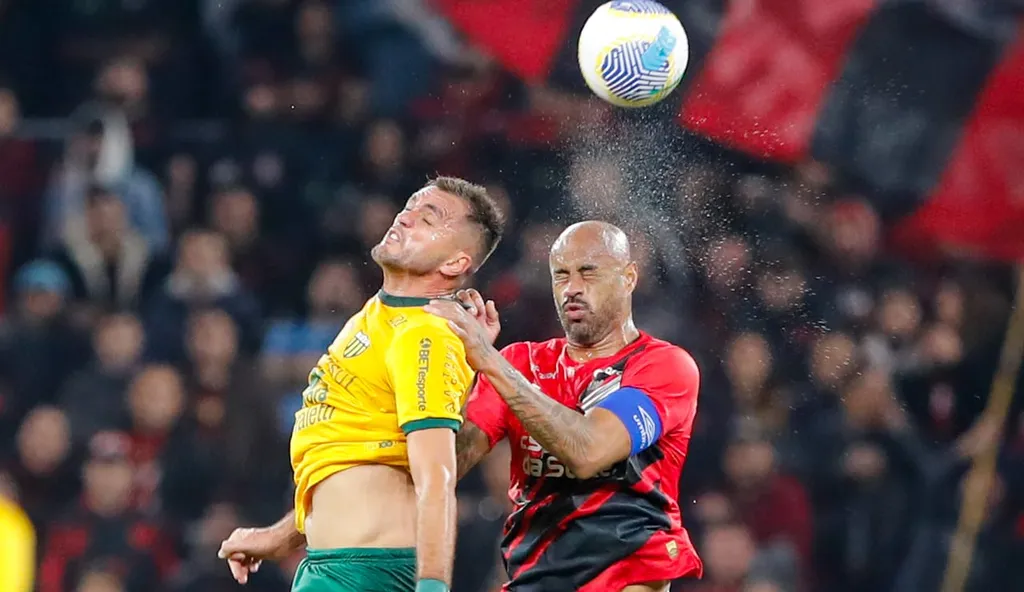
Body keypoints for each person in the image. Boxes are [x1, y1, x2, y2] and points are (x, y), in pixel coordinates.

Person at [217, 177, 505, 592]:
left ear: (455, 264)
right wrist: (278, 537)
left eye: (429, 218)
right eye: (410, 206)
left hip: (367, 574)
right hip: (329, 566)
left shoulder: (425, 335)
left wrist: (432, 587)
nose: (406, 217)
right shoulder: (372, 317)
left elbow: (436, 478)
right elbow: (350, 459)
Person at [426, 221, 704, 591]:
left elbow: (588, 451)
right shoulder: (521, 362)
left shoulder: (663, 367)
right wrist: (458, 364)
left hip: (628, 569)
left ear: (628, 277)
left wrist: (490, 361)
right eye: (561, 275)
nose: (572, 288)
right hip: (534, 574)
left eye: (588, 272)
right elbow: (447, 466)